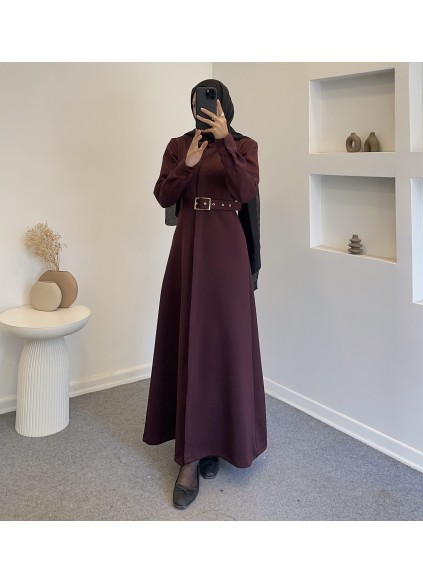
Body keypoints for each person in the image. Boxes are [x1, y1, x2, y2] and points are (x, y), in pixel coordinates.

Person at [143, 79, 267, 509]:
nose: (205, 109)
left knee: (224, 346)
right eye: (198, 103)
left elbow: (246, 191)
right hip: (188, 249)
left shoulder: (245, 145)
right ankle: (190, 458)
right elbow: (163, 196)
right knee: (190, 343)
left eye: (212, 102)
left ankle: (217, 442)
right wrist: (188, 165)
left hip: (227, 252)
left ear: (225, 106)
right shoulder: (179, 145)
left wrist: (226, 142)